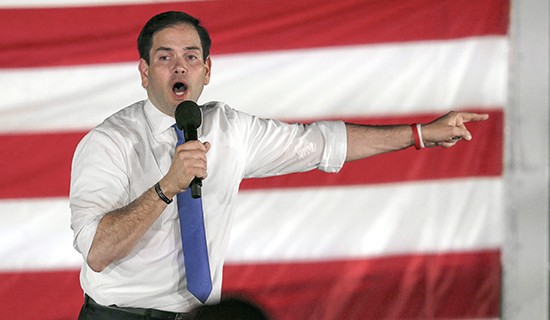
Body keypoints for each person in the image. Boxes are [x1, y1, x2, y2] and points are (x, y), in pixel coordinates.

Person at [70, 10, 489, 320]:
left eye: (191, 57)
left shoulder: (230, 128)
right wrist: (167, 187)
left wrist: (419, 133)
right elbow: (99, 252)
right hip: (119, 316)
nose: (180, 66)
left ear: (207, 70)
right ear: (144, 72)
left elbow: (320, 143)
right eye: (164, 58)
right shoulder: (109, 143)